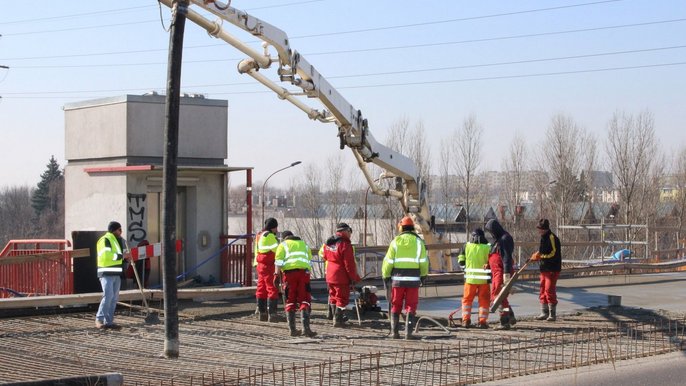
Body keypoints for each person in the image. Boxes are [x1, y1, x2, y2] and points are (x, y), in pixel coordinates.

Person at [381, 216, 429, 339]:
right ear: (412, 227)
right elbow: (424, 262)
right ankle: (408, 333)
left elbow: (388, 262)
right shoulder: (419, 242)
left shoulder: (395, 242)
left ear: (401, 228)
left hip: (397, 280)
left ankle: (394, 332)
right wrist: (423, 275)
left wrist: (386, 275)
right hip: (413, 281)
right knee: (411, 305)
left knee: (395, 304)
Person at [275, 231, 317, 337]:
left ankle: (292, 329)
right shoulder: (304, 244)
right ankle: (306, 329)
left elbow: (279, 261)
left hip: (289, 275)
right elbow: (309, 260)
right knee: (305, 299)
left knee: (290, 299)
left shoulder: (283, 245)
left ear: (284, 238)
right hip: (304, 274)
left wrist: (276, 275)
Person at [321, 223, 361, 327]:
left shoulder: (329, 243)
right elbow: (349, 264)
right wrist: (354, 278)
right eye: (349, 232)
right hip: (340, 276)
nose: (350, 235)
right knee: (341, 298)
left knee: (333, 296)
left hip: (330, 274)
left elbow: (324, 256)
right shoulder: (345, 245)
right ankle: (338, 320)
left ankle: (335, 317)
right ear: (345, 231)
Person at [95, 221, 131, 330]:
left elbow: (119, 258)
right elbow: (106, 256)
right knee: (108, 296)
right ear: (114, 230)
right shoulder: (105, 240)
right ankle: (99, 319)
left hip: (116, 274)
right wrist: (122, 256)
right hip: (106, 273)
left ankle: (109, 322)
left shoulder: (116, 241)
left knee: (114, 298)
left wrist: (125, 259)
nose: (121, 232)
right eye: (119, 230)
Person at [484, 218, 517, 330]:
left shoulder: (504, 239)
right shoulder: (498, 240)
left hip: (501, 272)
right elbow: (495, 256)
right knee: (501, 298)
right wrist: (488, 265)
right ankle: (509, 315)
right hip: (497, 272)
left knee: (498, 296)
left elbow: (506, 258)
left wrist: (506, 275)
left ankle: (504, 322)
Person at [458, 228, 491, 329]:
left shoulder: (466, 246)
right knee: (484, 301)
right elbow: (492, 262)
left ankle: (465, 320)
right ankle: (482, 322)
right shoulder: (488, 247)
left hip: (470, 279)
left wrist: (465, 270)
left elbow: (461, 261)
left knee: (467, 300)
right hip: (484, 279)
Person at [531, 219, 562, 322]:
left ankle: (552, 314)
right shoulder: (543, 238)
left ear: (544, 229)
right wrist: (536, 255)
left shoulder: (552, 238)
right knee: (542, 289)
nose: (538, 231)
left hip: (552, 268)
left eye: (540, 229)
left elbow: (553, 253)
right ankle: (544, 312)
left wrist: (541, 257)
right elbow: (542, 251)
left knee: (549, 289)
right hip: (544, 268)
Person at [254, 217, 281, 322]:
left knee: (261, 289)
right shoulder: (269, 236)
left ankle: (262, 313)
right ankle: (272, 314)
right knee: (272, 288)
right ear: (272, 227)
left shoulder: (260, 235)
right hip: (269, 265)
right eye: (276, 228)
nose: (277, 230)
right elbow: (277, 250)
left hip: (260, 265)